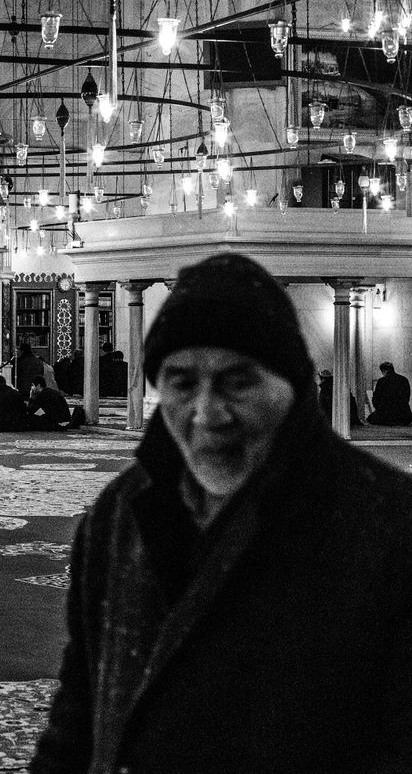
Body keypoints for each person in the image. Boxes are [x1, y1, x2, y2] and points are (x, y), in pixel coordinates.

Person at [30, 254, 412, 774]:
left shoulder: (385, 526)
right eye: (182, 384)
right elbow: (80, 712)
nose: (207, 415)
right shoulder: (120, 516)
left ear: (292, 385)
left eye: (237, 382)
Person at [367, 360, 412, 426]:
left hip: (385, 414)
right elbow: (406, 397)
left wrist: (379, 409)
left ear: (385, 371)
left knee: (370, 419)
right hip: (403, 415)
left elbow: (376, 398)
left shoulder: (381, 381)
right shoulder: (404, 379)